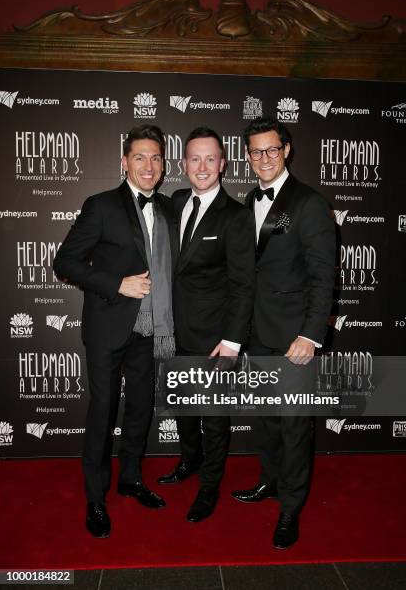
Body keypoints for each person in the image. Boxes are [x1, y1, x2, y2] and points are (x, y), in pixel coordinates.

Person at [53, 125, 177, 538]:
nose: (149, 165)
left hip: (149, 330)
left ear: (163, 164)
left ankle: (131, 479)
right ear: (124, 162)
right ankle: (95, 497)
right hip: (108, 327)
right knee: (103, 413)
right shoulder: (101, 205)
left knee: (140, 409)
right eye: (140, 157)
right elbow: (65, 262)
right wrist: (116, 283)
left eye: (156, 157)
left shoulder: (169, 210)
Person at [231, 116, 336, 549]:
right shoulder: (246, 203)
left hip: (294, 338)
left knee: (294, 426)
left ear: (287, 150)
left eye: (272, 149)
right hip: (258, 334)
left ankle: (291, 507)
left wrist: (310, 336)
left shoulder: (308, 204)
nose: (264, 158)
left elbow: (323, 276)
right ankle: (270, 482)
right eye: (256, 151)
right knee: (268, 422)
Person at [157, 126, 256, 522]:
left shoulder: (235, 217)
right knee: (184, 408)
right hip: (175, 332)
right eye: (194, 158)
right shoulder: (176, 202)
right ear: (183, 164)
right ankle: (189, 461)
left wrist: (233, 341)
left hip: (215, 339)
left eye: (210, 158)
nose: (202, 166)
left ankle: (210, 485)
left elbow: (244, 284)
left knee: (214, 418)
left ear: (223, 164)